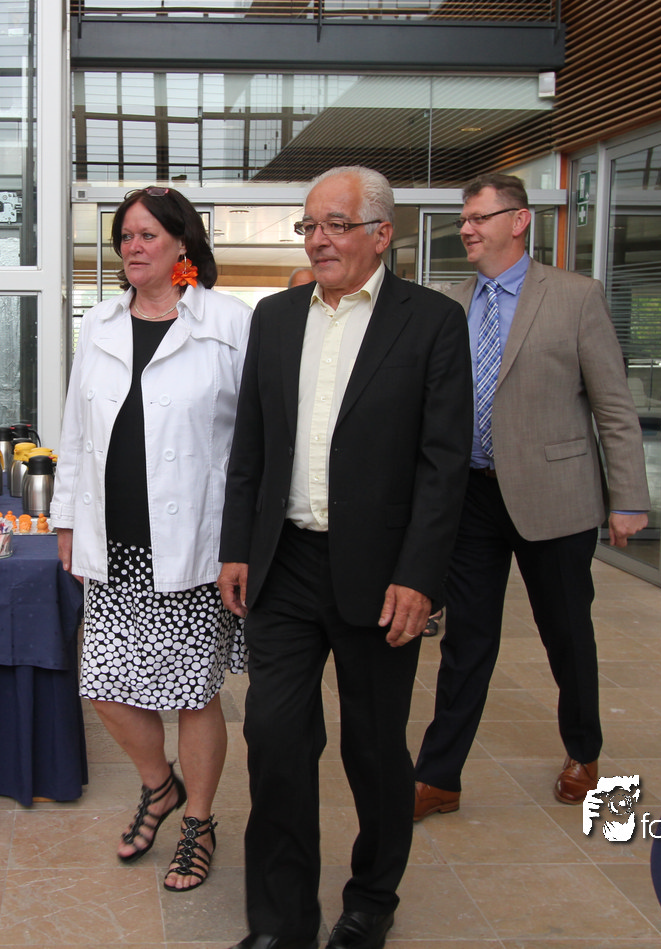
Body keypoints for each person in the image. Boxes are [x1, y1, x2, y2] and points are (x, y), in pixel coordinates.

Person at [219, 166, 472, 949]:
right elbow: (250, 445)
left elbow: (443, 464)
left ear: (380, 233)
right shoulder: (274, 317)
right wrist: (236, 548)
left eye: (334, 224)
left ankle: (370, 899)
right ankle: (281, 921)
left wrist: (419, 577)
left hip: (381, 572)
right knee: (274, 738)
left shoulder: (431, 322)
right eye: (309, 225)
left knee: (373, 746)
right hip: (285, 563)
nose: (317, 239)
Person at [412, 173, 650, 822]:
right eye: (464, 218)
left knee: (566, 633)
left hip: (555, 496)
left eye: (479, 217)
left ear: (518, 221)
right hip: (472, 497)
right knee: (466, 641)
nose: (466, 228)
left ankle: (584, 751)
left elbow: (613, 406)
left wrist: (628, 497)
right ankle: (438, 776)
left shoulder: (575, 296)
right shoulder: (450, 303)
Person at [52, 185, 253, 892]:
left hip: (194, 544)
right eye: (125, 236)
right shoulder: (101, 323)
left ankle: (198, 822)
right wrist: (66, 520)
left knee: (193, 693)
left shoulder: (228, 323)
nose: (132, 247)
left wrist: (243, 541)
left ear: (181, 243)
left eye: (146, 235)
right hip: (115, 542)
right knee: (105, 683)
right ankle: (159, 784)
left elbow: (254, 440)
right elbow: (76, 429)